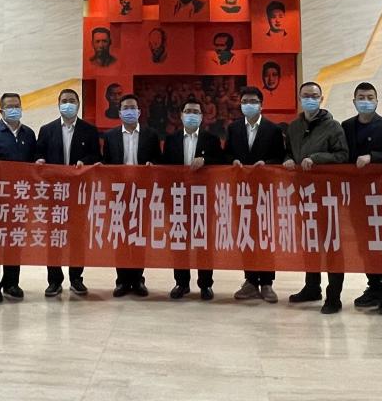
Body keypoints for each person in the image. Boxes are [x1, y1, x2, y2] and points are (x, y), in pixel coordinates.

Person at [283, 82, 348, 314]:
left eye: (314, 95)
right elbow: (288, 151)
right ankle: (312, 287)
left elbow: (343, 155)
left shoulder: (333, 127)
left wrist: (317, 158)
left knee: (331, 245)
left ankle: (334, 296)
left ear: (321, 98)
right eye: (305, 95)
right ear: (299, 98)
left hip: (327, 196)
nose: (310, 99)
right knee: (310, 242)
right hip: (303, 194)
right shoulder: (294, 127)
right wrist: (287, 159)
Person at [342, 83, 382, 316]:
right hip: (357, 196)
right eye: (361, 97)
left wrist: (373, 157)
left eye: (370, 97)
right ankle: (373, 286)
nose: (365, 101)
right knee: (364, 242)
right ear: (354, 101)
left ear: (377, 101)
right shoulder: (346, 126)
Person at [35, 89, 100, 297]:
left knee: (77, 237)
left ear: (78, 104)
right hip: (54, 194)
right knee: (54, 237)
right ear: (58, 104)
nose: (68, 104)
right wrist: (40, 160)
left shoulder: (89, 130)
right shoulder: (47, 130)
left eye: (72, 101)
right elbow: (39, 154)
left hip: (79, 193)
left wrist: (85, 162)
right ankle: (54, 280)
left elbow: (96, 156)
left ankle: (76, 278)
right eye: (64, 101)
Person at [226, 86, 285, 303]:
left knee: (266, 236)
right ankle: (250, 280)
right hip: (241, 191)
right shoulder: (233, 128)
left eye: (253, 101)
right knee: (246, 235)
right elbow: (227, 154)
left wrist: (266, 164)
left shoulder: (273, 129)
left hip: (265, 191)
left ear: (261, 105)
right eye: (245, 101)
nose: (248, 105)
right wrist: (232, 161)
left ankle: (267, 282)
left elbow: (280, 157)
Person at [162, 98, 225, 301]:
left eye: (196, 112)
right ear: (181, 115)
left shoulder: (211, 139)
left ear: (202, 116)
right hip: (178, 198)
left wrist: (205, 160)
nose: (192, 115)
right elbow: (164, 167)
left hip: (203, 199)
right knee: (179, 242)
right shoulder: (171, 140)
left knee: (203, 243)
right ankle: (181, 283)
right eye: (188, 111)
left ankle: (205, 284)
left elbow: (222, 162)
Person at [102, 94, 162, 297]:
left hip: (142, 194)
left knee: (139, 236)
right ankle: (121, 280)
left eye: (133, 108)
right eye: (126, 108)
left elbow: (159, 160)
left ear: (139, 112)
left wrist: (153, 165)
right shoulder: (110, 136)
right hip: (118, 194)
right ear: (120, 113)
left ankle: (137, 280)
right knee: (120, 237)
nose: (129, 111)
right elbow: (106, 162)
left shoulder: (150, 135)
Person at [0, 92, 37, 303]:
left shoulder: (29, 134)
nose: (14, 109)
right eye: (10, 106)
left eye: (17, 106)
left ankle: (11, 283)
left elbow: (34, 159)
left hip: (20, 198)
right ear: (1, 110)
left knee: (15, 241)